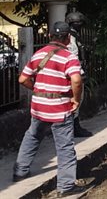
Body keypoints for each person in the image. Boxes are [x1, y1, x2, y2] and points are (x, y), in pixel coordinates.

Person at [13, 22, 86, 197]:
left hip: (38, 106)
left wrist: (39, 91)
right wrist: (75, 100)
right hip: (60, 107)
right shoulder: (69, 57)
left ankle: (20, 171)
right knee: (65, 146)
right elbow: (76, 80)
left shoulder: (38, 54)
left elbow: (23, 79)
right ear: (68, 38)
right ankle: (66, 186)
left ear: (50, 36)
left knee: (32, 136)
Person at [64, 11, 92, 138]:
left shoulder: (74, 35)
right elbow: (73, 57)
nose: (79, 25)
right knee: (76, 100)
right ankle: (74, 127)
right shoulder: (71, 37)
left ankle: (74, 125)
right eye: (77, 23)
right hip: (73, 73)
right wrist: (80, 72)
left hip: (74, 71)